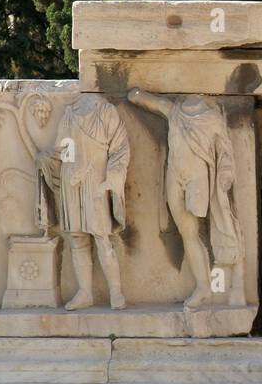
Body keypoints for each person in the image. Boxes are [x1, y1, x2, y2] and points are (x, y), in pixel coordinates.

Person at [127, 91, 245, 307]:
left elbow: (225, 151)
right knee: (187, 232)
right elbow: (157, 102)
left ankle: (222, 285)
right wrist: (137, 95)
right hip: (175, 175)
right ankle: (203, 287)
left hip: (197, 178)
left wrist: (225, 175)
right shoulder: (176, 112)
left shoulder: (212, 118)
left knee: (209, 226)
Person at [40, 94, 130, 310]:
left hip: (96, 180)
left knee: (102, 237)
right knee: (77, 239)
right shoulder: (70, 113)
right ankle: (85, 292)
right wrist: (47, 159)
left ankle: (116, 291)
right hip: (72, 180)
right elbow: (64, 149)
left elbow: (120, 150)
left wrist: (111, 180)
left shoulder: (105, 111)